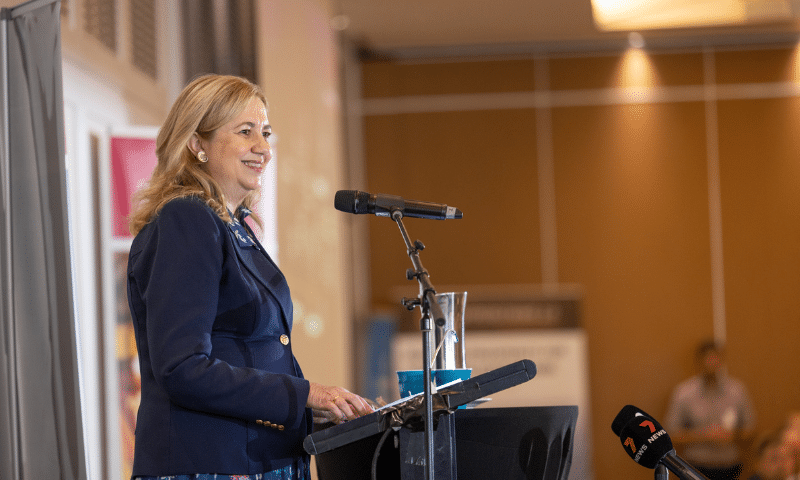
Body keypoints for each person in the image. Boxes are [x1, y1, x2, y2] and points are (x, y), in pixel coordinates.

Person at [126, 74, 373, 480]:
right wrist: (307, 394)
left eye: (266, 133)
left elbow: (252, 353)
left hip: (259, 461)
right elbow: (183, 367)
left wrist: (321, 410)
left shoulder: (231, 225)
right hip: (209, 465)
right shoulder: (186, 220)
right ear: (196, 143)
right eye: (246, 132)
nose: (263, 148)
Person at [664, 340, 756, 479]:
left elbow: (751, 430)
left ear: (722, 360)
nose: (711, 363)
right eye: (708, 358)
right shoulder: (683, 393)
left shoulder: (737, 391)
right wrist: (704, 436)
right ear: (699, 361)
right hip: (695, 468)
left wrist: (731, 435)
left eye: (716, 358)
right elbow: (671, 433)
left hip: (730, 468)